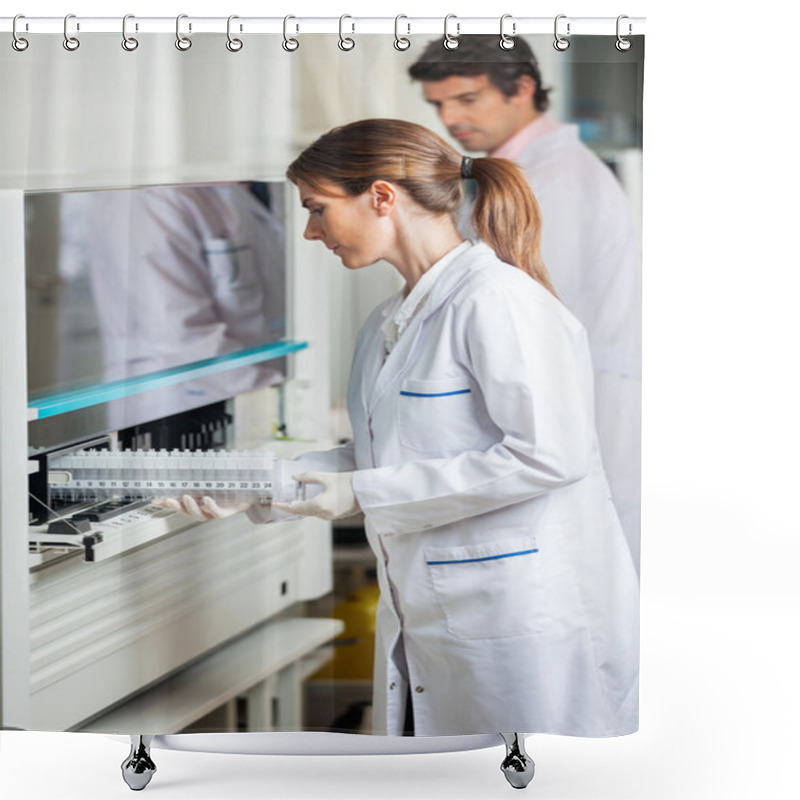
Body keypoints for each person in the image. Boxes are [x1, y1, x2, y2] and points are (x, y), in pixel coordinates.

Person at [169, 118, 638, 740]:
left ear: (382, 196)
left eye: (317, 208)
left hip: (526, 617)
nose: (311, 231)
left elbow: (551, 454)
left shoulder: (496, 301)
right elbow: (384, 454)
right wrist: (263, 484)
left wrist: (362, 494)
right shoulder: (388, 321)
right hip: (437, 615)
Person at [408, 36, 642, 574]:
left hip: (581, 419)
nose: (450, 118)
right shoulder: (523, 173)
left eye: (467, 99)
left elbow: (506, 311)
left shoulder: (551, 182)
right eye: (438, 104)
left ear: (525, 89)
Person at [79, 182, 287, 428]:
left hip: (249, 393)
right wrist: (282, 399)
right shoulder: (146, 198)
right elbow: (179, 335)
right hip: (179, 402)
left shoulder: (258, 185)